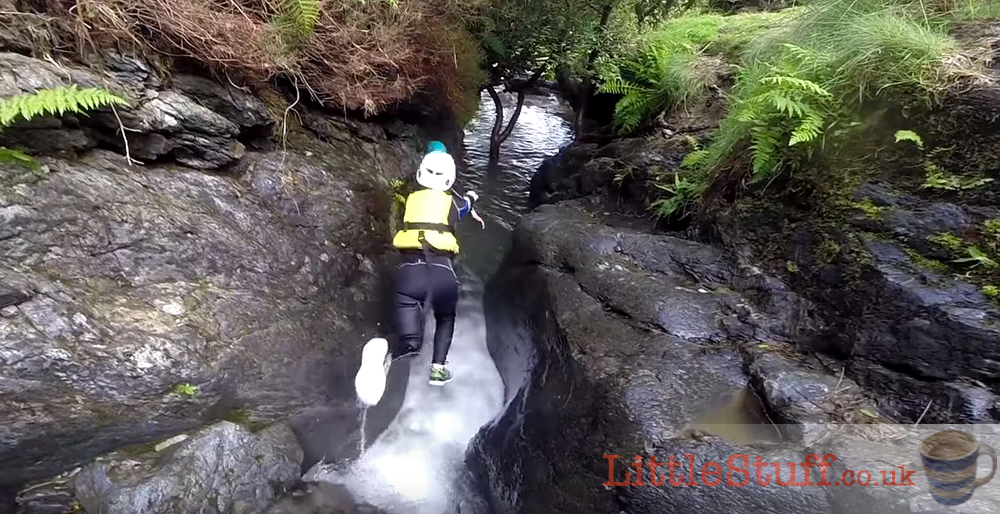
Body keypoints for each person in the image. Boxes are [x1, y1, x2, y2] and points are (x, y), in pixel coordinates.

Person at [355, 141, 483, 406]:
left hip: (409, 273)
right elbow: (458, 211)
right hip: (441, 274)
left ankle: (385, 353)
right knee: (445, 317)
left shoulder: (411, 200)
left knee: (410, 344)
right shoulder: (451, 202)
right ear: (450, 178)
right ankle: (438, 368)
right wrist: (470, 198)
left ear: (420, 173)